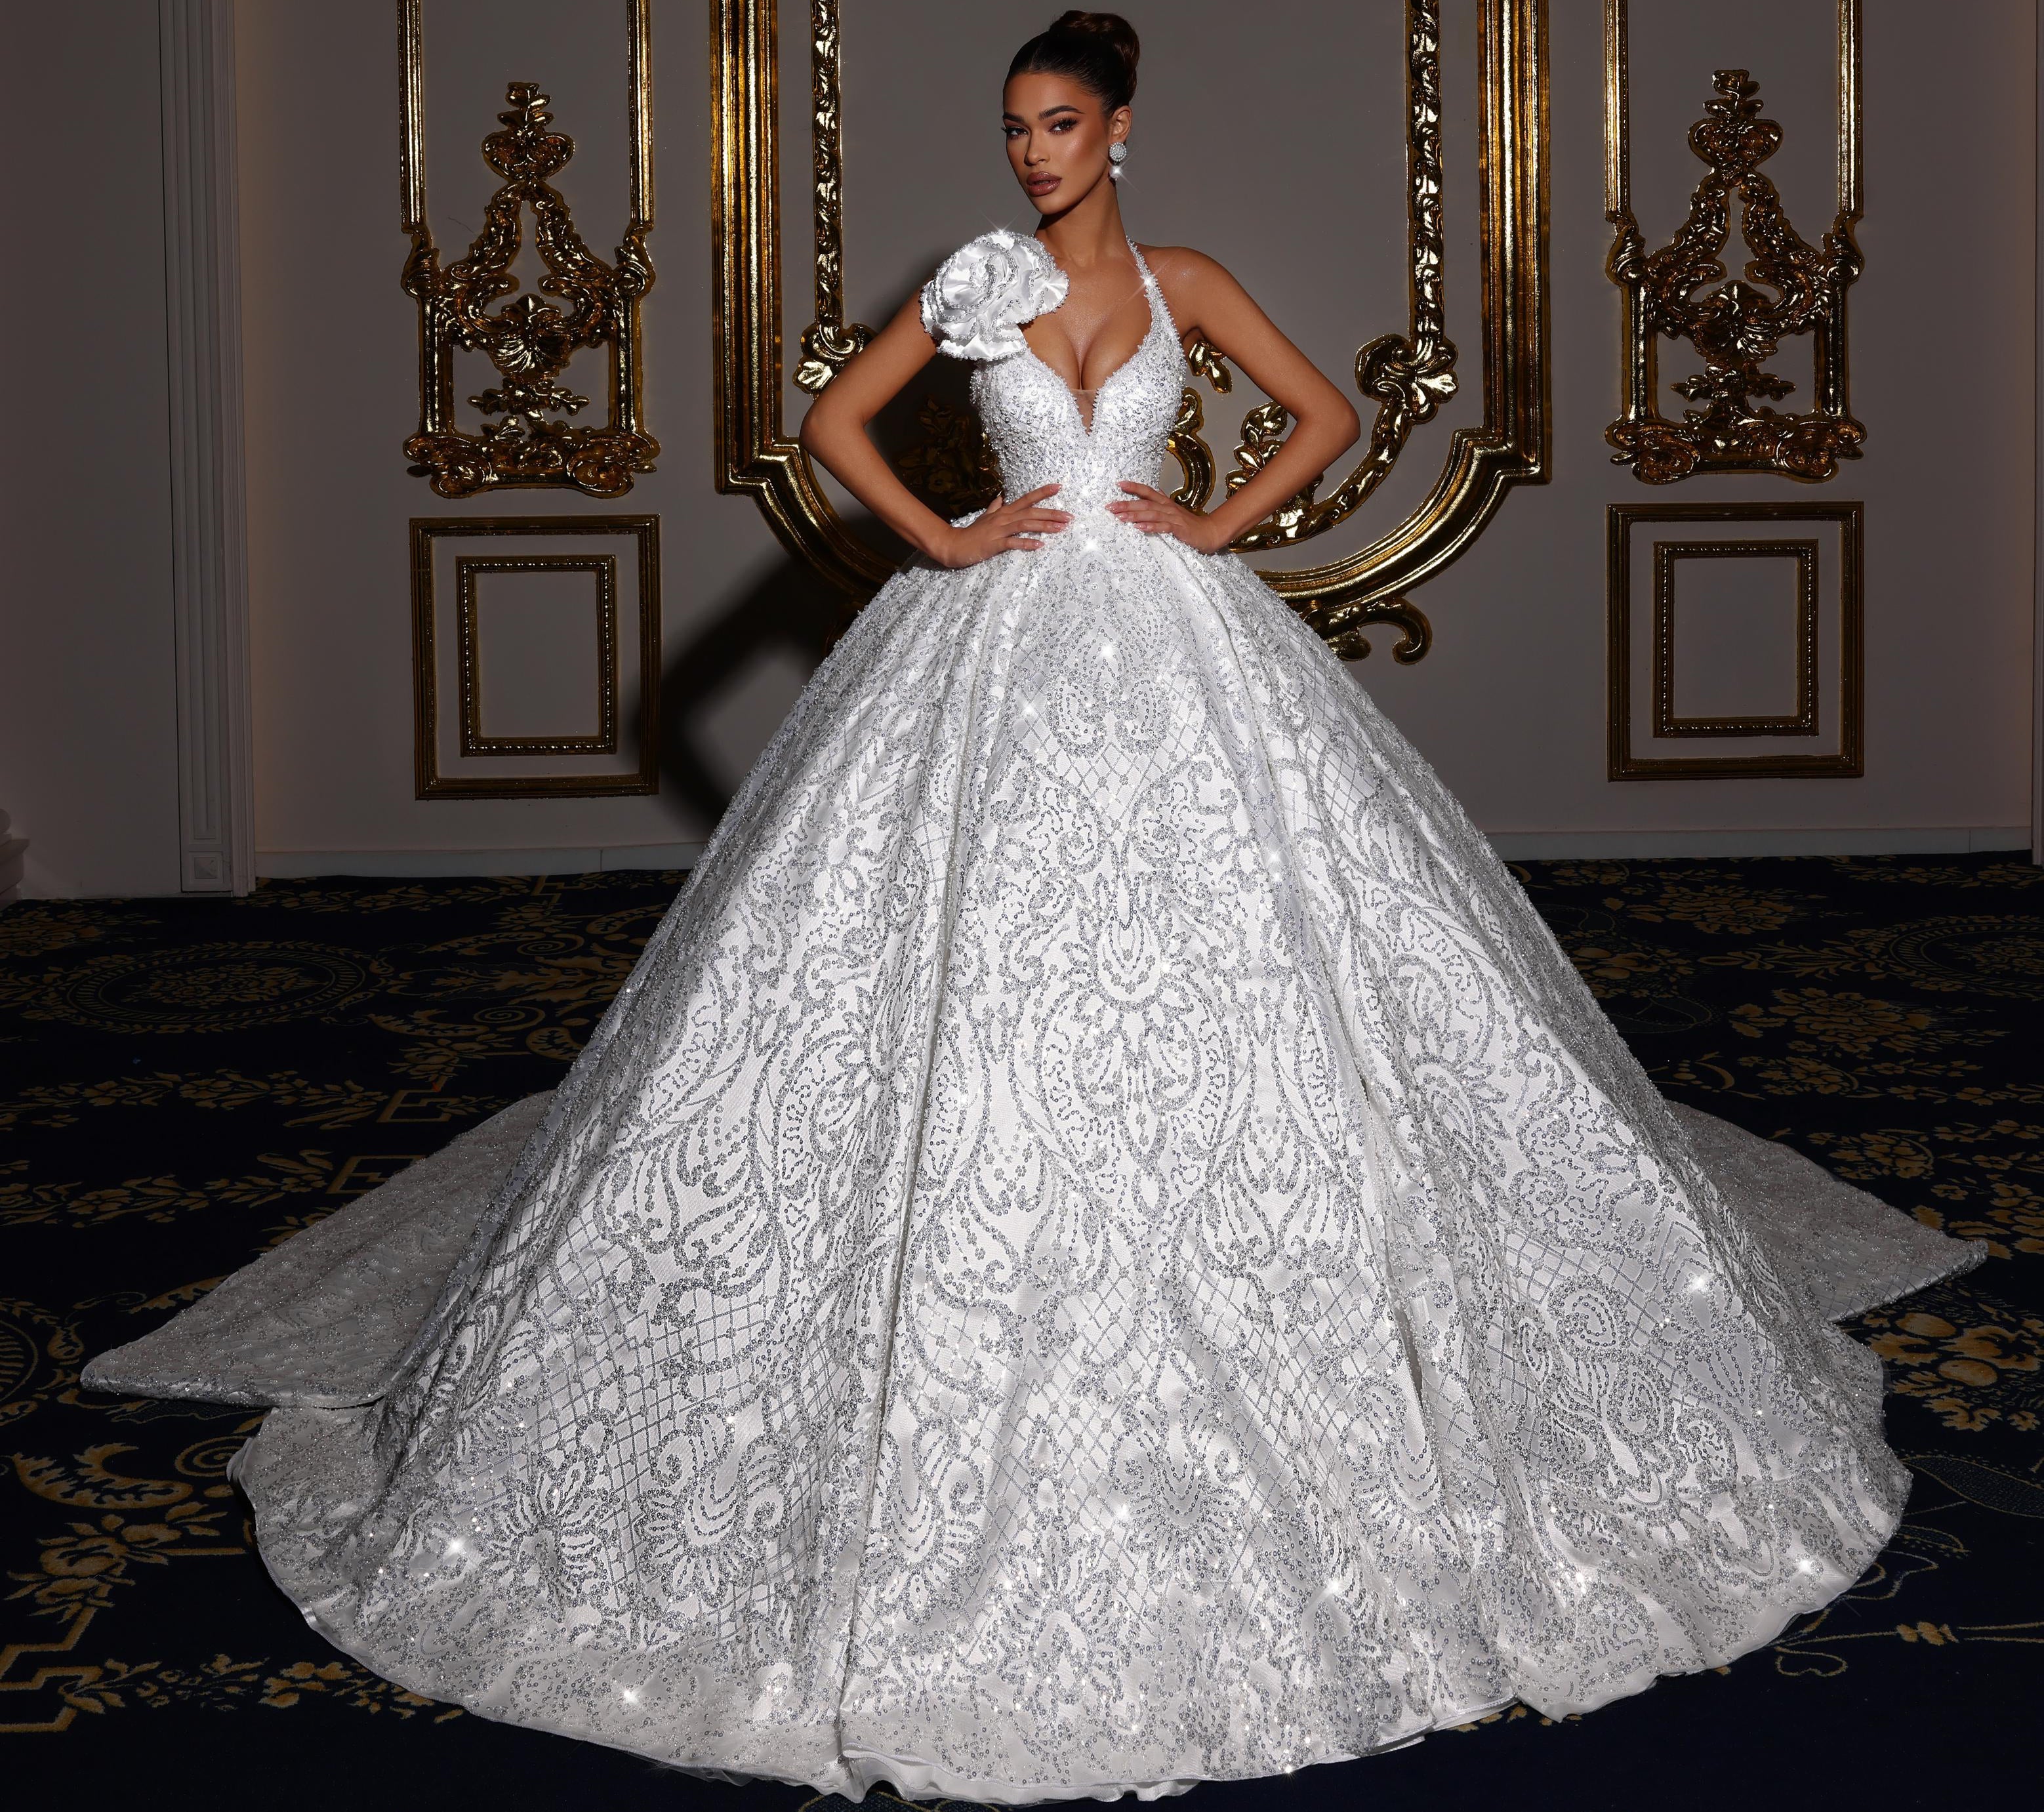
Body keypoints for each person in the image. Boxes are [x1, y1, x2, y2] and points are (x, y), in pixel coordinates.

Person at [88, 12, 1976, 1803]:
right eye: (1012, 126)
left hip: (1174, 643)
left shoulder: (1191, 278)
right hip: (987, 651)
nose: (1028, 149)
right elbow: (840, 424)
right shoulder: (975, 281)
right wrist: (950, 533)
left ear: (1117, 131)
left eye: (1057, 124)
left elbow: (1316, 415)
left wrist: (1213, 528)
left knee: (1262, 991)